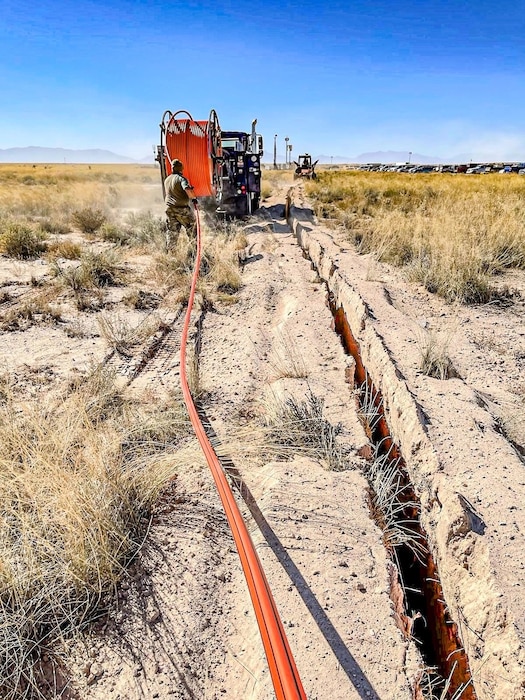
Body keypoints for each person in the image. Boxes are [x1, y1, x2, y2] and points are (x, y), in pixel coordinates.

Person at [164, 159, 198, 252]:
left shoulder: (167, 179)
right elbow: (186, 188)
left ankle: (170, 255)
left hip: (169, 209)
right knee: (193, 230)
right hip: (181, 209)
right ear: (181, 169)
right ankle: (194, 252)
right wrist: (193, 198)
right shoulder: (181, 179)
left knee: (172, 233)